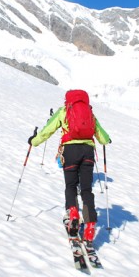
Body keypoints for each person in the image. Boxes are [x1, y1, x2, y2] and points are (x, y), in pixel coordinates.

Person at [29, 89, 111, 244]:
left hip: (70, 151)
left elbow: (49, 129)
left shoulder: (64, 111)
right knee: (86, 189)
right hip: (87, 152)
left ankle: (73, 214)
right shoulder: (89, 112)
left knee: (71, 185)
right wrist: (107, 140)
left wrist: (34, 141)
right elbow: (102, 135)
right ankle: (90, 224)